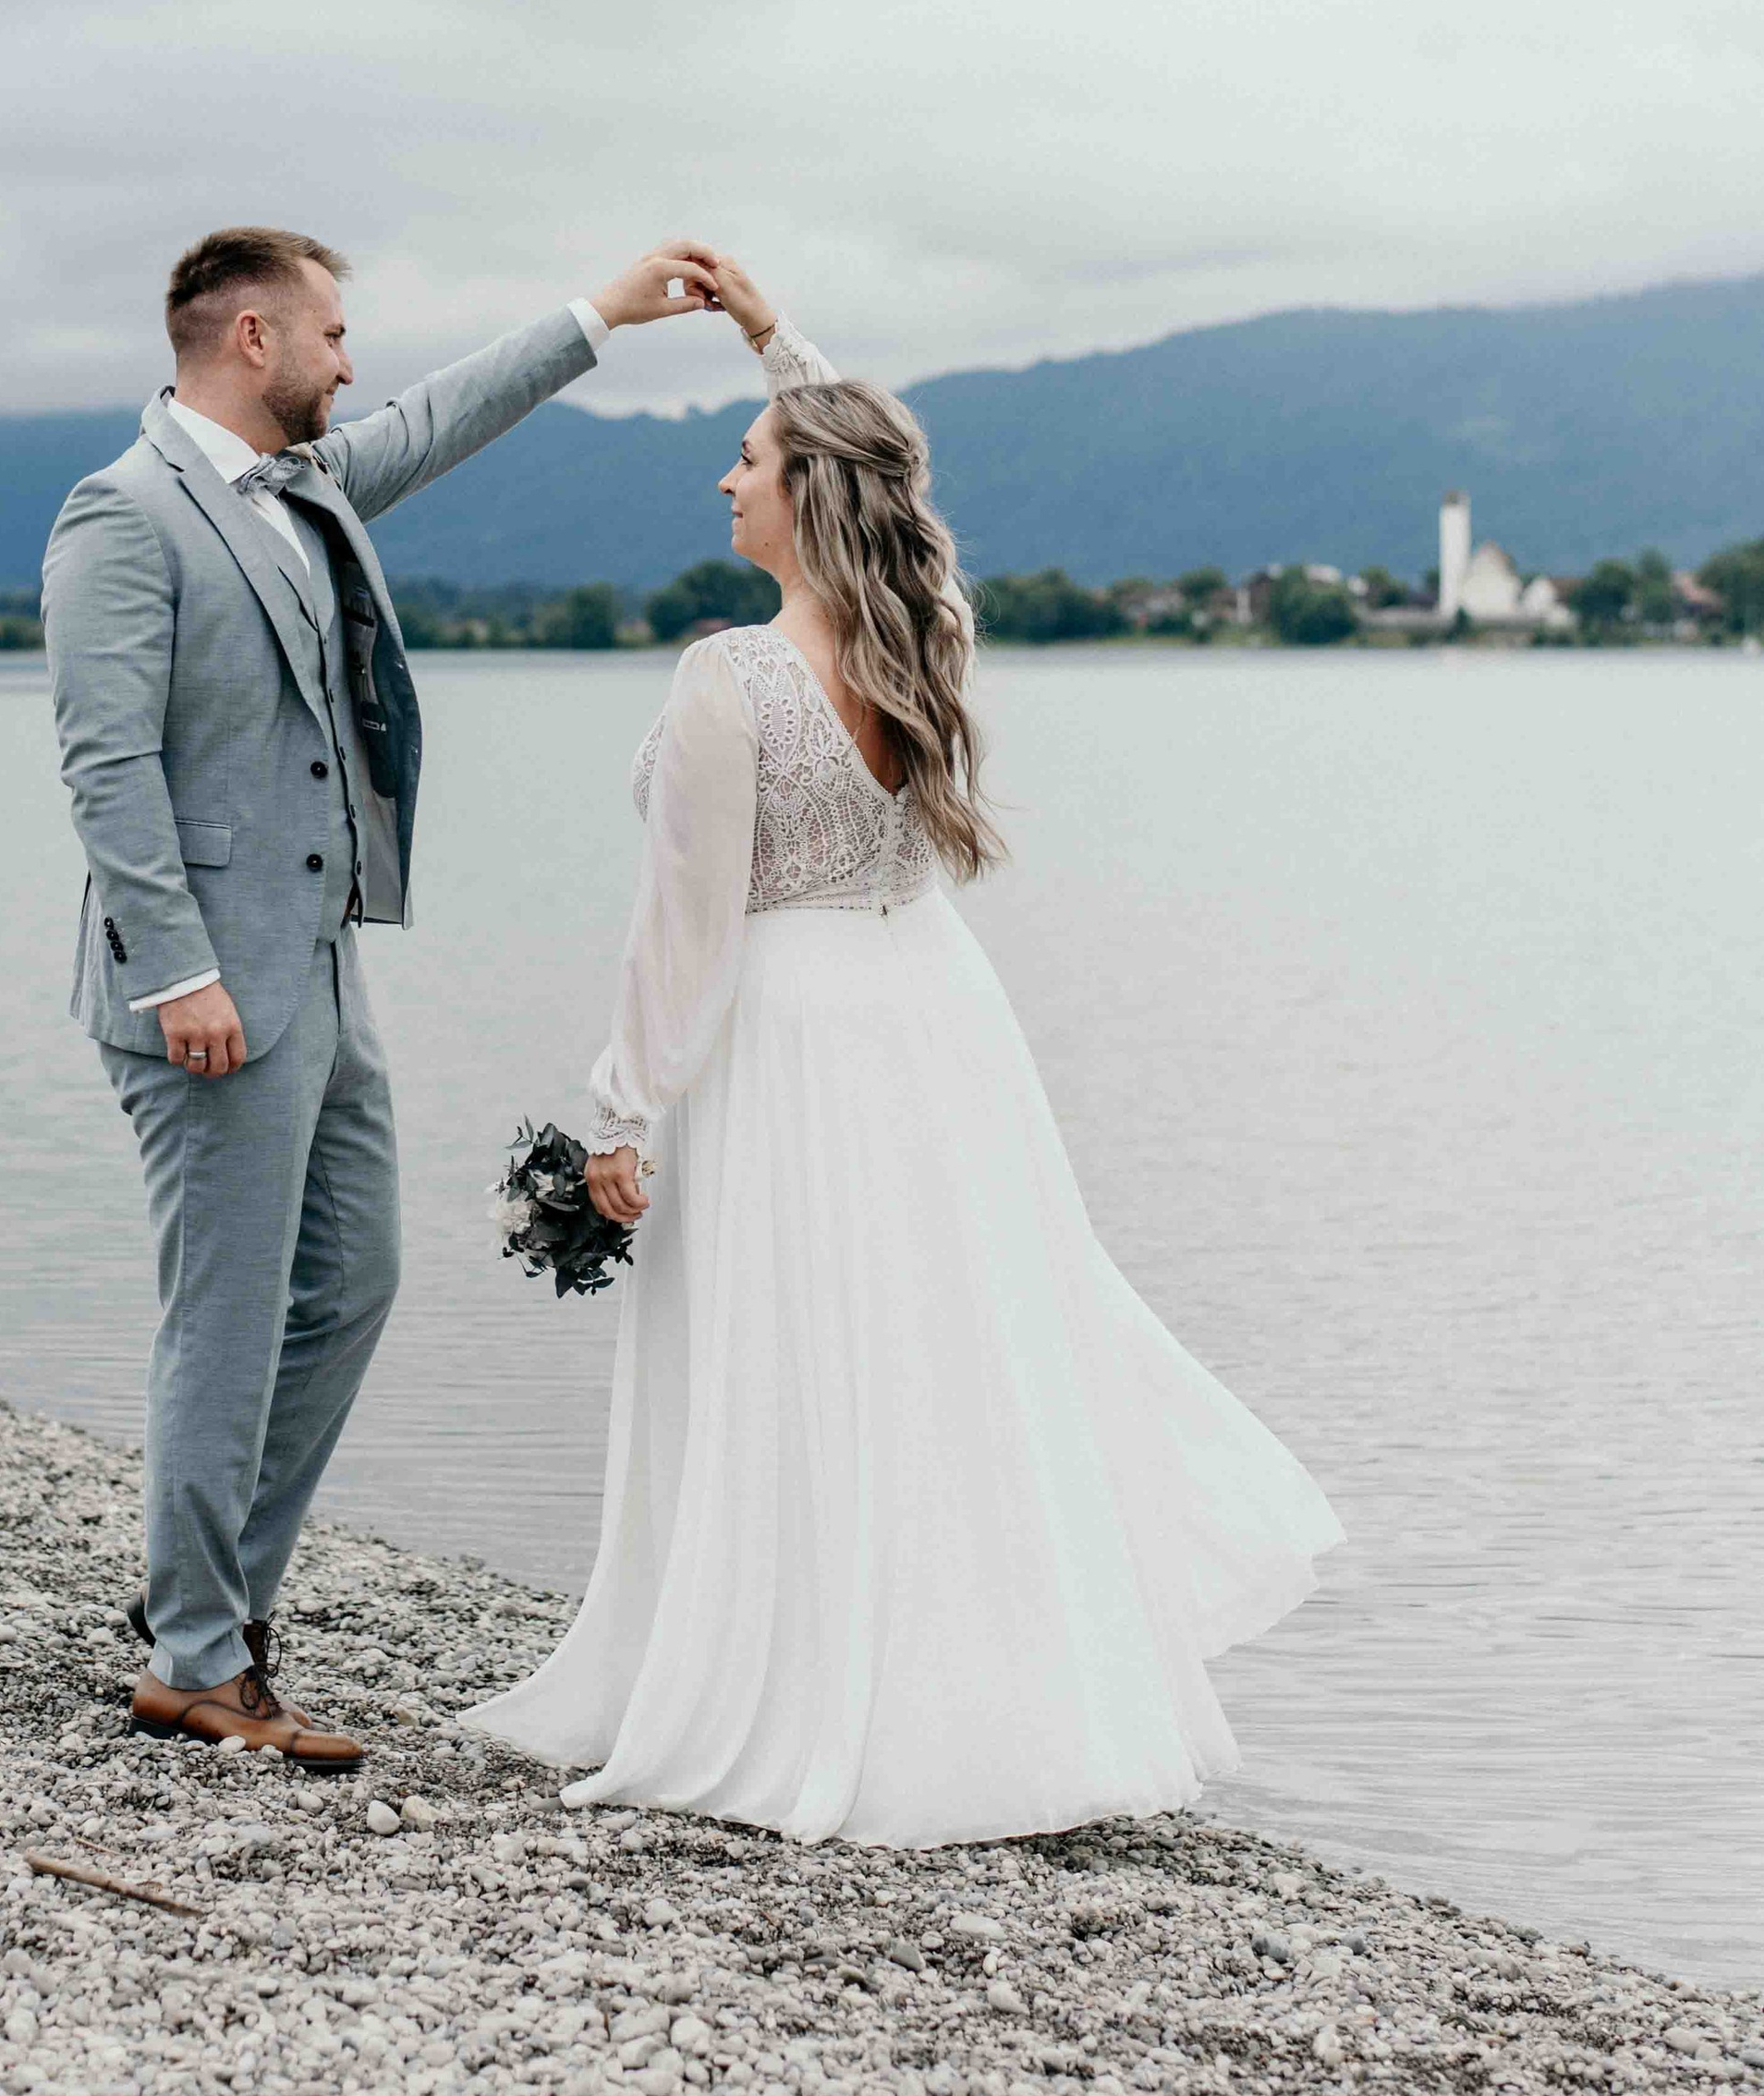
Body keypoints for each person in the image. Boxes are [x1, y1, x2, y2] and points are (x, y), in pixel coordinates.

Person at [467, 256, 1341, 1843]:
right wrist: (769, 338)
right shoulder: (925, 635)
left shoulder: (730, 676)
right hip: (937, 1024)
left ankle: (800, 1680)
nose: (724, 474)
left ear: (803, 492)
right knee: (945, 1345)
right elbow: (888, 464)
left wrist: (623, 1115)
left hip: (789, 1040)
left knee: (793, 1348)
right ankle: (977, 1679)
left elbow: (686, 930)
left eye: (750, 456)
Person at [43, 225, 720, 1769]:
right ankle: (202, 1658)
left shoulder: (305, 487)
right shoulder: (123, 515)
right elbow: (105, 765)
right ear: (254, 342)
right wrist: (182, 971)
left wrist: (601, 314)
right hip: (209, 990)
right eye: (336, 335)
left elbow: (440, 420)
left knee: (350, 1285)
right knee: (223, 1322)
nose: (358, 366)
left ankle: (210, 1615)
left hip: (323, 968)